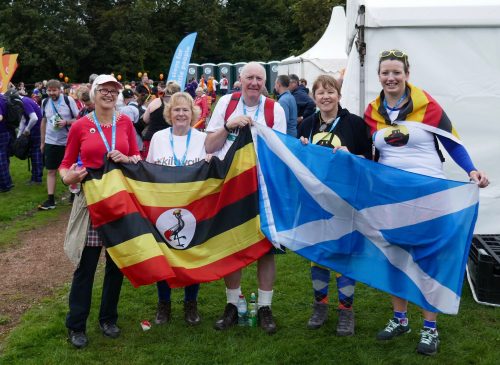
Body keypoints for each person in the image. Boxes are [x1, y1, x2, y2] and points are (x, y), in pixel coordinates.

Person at [365, 49, 489, 356]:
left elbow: (452, 143)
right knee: (394, 256)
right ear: (378, 76)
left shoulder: (427, 106)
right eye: (385, 73)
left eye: (396, 72)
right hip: (390, 198)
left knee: (428, 259)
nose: (390, 78)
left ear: (407, 74)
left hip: (428, 196)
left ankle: (430, 329)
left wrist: (471, 169)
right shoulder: (372, 112)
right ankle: (400, 319)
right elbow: (367, 154)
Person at [59, 74, 141, 349]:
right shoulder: (81, 125)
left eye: (113, 90)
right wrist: (68, 178)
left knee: (116, 265)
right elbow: (65, 164)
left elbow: (137, 157)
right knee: (87, 266)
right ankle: (76, 325)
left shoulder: (126, 122)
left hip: (120, 201)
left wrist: (127, 158)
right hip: (92, 202)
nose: (109, 94)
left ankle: (108, 319)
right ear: (94, 94)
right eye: (103, 90)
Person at [205, 62, 286, 334]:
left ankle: (265, 306)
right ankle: (233, 304)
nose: (253, 82)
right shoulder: (226, 103)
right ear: (240, 79)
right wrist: (228, 126)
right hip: (231, 185)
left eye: (258, 78)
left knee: (265, 248)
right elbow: (209, 145)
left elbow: (283, 154)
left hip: (264, 187)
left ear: (265, 82)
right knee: (231, 244)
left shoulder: (276, 109)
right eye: (249, 77)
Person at [298, 75, 372, 336]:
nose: (325, 97)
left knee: (342, 253)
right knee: (318, 253)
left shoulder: (354, 124)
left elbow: (371, 160)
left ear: (339, 95)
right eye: (320, 93)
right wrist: (302, 148)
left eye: (330, 92)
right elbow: (299, 163)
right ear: (314, 97)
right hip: (315, 201)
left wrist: (351, 156)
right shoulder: (307, 124)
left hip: (345, 200)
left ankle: (346, 311)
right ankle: (320, 305)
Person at [146, 92, 207, 326]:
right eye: (176, 110)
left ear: (193, 114)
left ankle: (191, 303)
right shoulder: (159, 138)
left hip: (194, 208)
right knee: (165, 256)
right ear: (169, 114)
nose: (181, 114)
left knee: (191, 255)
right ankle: (164, 303)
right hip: (164, 207)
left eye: (185, 110)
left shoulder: (202, 138)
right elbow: (149, 170)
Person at [38, 79, 79, 210]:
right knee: (51, 170)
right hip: (51, 141)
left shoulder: (68, 100)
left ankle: (74, 195)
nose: (51, 93)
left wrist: (66, 122)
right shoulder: (45, 102)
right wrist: (42, 142)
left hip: (68, 141)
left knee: (72, 168)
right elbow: (43, 121)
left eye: (54, 90)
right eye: (49, 90)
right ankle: (51, 200)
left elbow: (78, 119)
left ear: (60, 90)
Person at [142, 81, 181, 158]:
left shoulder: (156, 101)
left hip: (151, 138)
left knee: (148, 166)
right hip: (170, 140)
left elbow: (145, 119)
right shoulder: (178, 104)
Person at [18, 93, 44, 185]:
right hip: (36, 130)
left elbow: (34, 118)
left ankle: (37, 179)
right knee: (35, 154)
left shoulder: (24, 102)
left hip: (36, 131)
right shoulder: (25, 100)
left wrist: (27, 129)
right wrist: (19, 136)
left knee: (36, 154)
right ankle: (35, 177)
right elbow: (23, 120)